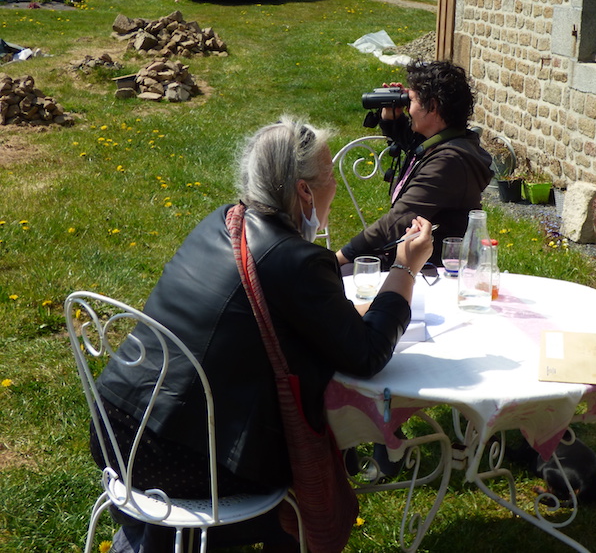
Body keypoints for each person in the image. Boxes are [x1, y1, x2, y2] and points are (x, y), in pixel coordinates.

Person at [90, 117, 434, 553]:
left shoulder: (225, 221)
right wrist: (405, 268)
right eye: (328, 179)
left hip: (115, 429)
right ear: (305, 190)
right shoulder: (298, 260)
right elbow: (365, 354)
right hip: (178, 456)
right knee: (294, 498)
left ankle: (147, 540)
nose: (333, 189)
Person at [336, 60, 492, 267]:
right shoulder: (447, 142)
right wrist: (392, 118)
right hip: (415, 259)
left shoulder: (449, 162)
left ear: (433, 106)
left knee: (340, 278)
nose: (408, 108)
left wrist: (337, 258)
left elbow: (399, 220)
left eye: (411, 102)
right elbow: (412, 143)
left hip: (432, 270)